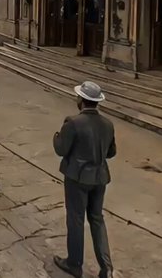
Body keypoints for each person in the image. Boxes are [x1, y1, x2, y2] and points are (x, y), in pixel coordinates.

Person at [53, 81, 116, 278]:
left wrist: (57, 136)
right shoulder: (108, 124)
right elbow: (111, 152)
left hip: (77, 177)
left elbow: (61, 149)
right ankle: (107, 268)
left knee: (76, 219)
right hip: (100, 177)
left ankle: (74, 263)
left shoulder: (73, 122)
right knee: (97, 220)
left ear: (81, 100)